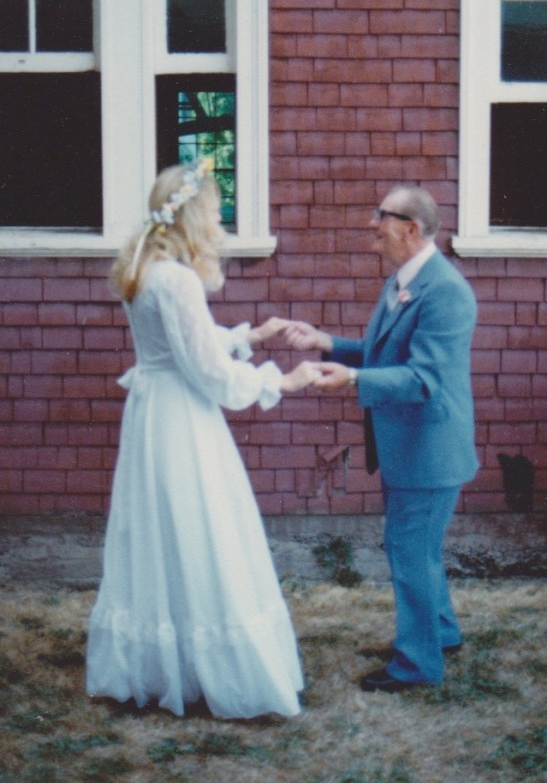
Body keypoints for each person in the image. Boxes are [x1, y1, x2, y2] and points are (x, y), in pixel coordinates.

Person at [86, 159, 320, 718]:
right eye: (214, 211)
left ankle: (163, 664)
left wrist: (247, 335)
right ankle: (221, 674)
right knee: (200, 530)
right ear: (195, 216)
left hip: (153, 417)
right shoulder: (179, 278)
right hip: (184, 420)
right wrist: (278, 380)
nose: (218, 220)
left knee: (163, 536)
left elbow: (181, 342)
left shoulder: (147, 270)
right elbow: (208, 373)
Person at [284, 184, 479, 692]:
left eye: (382, 216)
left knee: (409, 549)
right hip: (408, 448)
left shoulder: (447, 292)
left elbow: (422, 379)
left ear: (412, 230)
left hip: (429, 452)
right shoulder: (405, 280)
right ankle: (440, 634)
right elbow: (383, 353)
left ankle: (417, 666)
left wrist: (352, 380)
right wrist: (328, 343)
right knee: (418, 549)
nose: (372, 224)